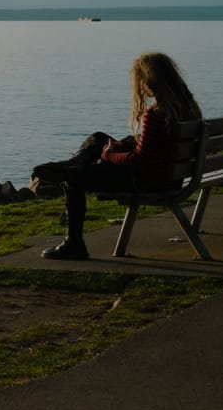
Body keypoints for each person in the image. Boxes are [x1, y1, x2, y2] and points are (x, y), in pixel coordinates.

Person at [34, 52, 202, 260]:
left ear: (149, 81)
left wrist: (109, 155)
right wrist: (123, 144)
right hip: (168, 176)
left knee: (74, 178)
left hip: (147, 180)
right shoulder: (187, 108)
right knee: (98, 138)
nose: (139, 87)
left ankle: (74, 243)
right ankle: (74, 164)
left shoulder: (156, 114)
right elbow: (154, 145)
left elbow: (138, 159)